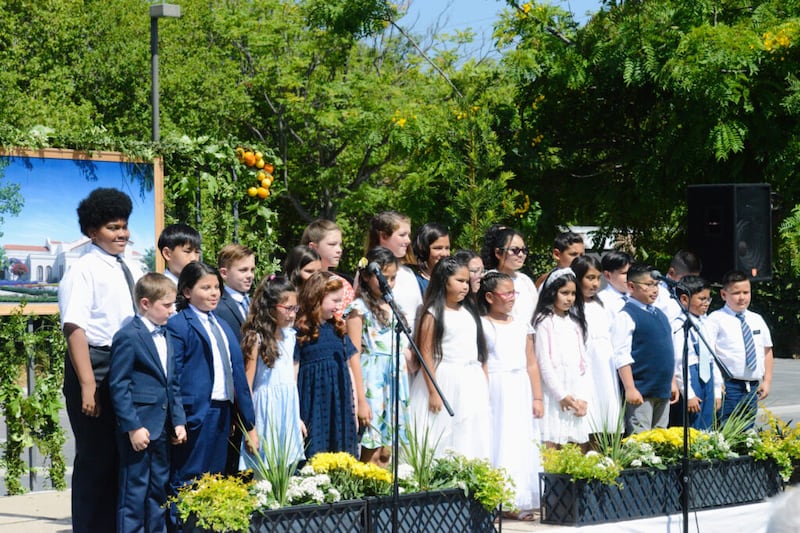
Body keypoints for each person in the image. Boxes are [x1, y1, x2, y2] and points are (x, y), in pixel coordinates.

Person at [58, 187, 145, 532]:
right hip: (96, 364)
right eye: (112, 227)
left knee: (123, 458)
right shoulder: (83, 270)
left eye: (124, 226)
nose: (121, 233)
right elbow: (75, 328)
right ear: (93, 231)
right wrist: (88, 385)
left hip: (127, 365)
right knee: (96, 461)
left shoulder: (133, 266)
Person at [166, 262, 258, 527]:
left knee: (213, 479)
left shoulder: (222, 326)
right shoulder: (179, 325)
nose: (214, 292)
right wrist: (178, 419)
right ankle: (182, 526)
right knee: (187, 480)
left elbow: (238, 378)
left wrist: (247, 422)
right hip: (196, 415)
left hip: (222, 413)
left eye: (216, 287)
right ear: (186, 291)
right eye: (205, 287)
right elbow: (174, 377)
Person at [109, 273, 187, 533]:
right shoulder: (128, 336)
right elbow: (119, 385)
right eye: (166, 305)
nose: (172, 310)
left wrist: (178, 421)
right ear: (145, 304)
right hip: (140, 428)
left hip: (163, 427)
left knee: (158, 488)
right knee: (134, 491)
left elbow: (172, 383)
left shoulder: (167, 336)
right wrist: (132, 426)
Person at [407, 256, 490, 459]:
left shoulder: (469, 311)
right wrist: (434, 391)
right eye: (459, 281)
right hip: (445, 377)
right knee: (442, 433)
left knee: (469, 431)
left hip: (470, 378)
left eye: (466, 282)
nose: (465, 286)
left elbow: (479, 348)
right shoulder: (433, 313)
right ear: (444, 281)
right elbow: (425, 352)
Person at [477, 271, 543, 518]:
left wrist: (537, 397)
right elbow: (482, 361)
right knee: (499, 440)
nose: (512, 298)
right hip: (496, 385)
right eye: (506, 293)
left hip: (520, 386)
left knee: (519, 441)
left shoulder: (521, 323)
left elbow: (531, 361)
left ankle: (519, 497)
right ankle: (500, 498)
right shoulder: (483, 324)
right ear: (490, 297)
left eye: (513, 292)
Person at [345, 247, 410, 466]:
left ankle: (385, 495)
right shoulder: (358, 309)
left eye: (392, 278)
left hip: (393, 378)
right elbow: (353, 354)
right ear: (365, 276)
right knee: (370, 448)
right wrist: (361, 400)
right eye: (383, 277)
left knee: (386, 451)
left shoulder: (393, 306)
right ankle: (367, 497)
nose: (388, 283)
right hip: (372, 379)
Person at [238, 275, 305, 473]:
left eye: (295, 308)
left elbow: (290, 382)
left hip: (287, 412)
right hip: (265, 414)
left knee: (287, 473)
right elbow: (246, 387)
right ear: (270, 307)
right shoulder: (256, 340)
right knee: (264, 475)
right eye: (288, 309)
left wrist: (297, 418)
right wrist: (251, 429)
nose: (293, 314)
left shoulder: (291, 337)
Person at [294, 271, 359, 458]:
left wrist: (353, 408)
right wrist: (295, 414)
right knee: (315, 450)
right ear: (317, 297)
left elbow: (348, 369)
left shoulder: (338, 329)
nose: (339, 306)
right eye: (334, 301)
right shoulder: (302, 331)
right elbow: (294, 373)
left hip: (339, 402)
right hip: (313, 402)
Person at [611, 263, 679, 435]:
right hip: (642, 390)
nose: (654, 290)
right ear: (632, 286)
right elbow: (621, 354)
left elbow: (668, 352)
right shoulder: (626, 315)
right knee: (641, 442)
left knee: (660, 439)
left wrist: (672, 382)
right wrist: (630, 388)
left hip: (662, 389)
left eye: (656, 285)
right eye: (648, 285)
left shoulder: (660, 314)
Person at [533, 268, 591, 450]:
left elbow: (583, 365)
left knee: (576, 445)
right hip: (554, 395)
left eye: (573, 293)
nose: (570, 298)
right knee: (552, 442)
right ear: (552, 293)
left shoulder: (575, 323)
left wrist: (581, 398)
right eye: (564, 293)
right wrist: (562, 395)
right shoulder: (544, 321)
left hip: (575, 392)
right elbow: (544, 364)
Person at [706, 270, 773, 426]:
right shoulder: (716, 319)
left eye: (746, 292)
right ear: (723, 294)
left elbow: (767, 351)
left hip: (752, 387)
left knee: (746, 432)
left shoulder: (756, 319)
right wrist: (716, 386)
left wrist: (767, 381)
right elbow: (709, 354)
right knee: (724, 431)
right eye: (736, 293)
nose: (742, 297)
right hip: (728, 387)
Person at [572, 255, 621, 437]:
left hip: (605, 366)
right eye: (590, 278)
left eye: (598, 278)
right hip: (586, 367)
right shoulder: (573, 308)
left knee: (605, 414)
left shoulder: (603, 305)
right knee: (587, 420)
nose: (595, 284)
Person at [671, 275, 721, 430]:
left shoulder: (708, 324)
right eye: (702, 299)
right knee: (692, 424)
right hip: (691, 377)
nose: (706, 304)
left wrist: (717, 390)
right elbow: (679, 362)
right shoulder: (678, 326)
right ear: (685, 299)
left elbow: (714, 356)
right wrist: (689, 393)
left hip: (708, 375)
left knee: (707, 424)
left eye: (708, 299)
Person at [368, 211, 423, 333]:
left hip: (412, 347)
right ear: (383, 236)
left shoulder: (408, 273)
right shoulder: (369, 273)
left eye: (408, 235)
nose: (408, 240)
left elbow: (419, 314)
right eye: (402, 235)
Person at [480, 224, 538, 324]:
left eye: (524, 250)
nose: (521, 255)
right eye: (515, 250)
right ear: (498, 253)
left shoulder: (525, 280)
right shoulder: (490, 280)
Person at [301, 219, 355, 313]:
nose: (339, 250)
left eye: (340, 245)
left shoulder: (342, 285)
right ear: (313, 247)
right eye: (332, 244)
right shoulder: (297, 281)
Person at [215, 244, 256, 344]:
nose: (250, 275)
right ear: (224, 273)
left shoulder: (254, 303)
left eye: (252, 270)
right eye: (243, 270)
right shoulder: (217, 305)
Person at [655, 250, 702, 324]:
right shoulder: (656, 293)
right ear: (671, 273)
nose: (691, 284)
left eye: (694, 280)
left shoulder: (694, 294)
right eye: (686, 280)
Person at [411, 222, 451, 294]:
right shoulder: (414, 280)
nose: (445, 254)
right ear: (423, 249)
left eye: (447, 248)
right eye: (438, 248)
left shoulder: (450, 279)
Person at [597, 250, 632, 314]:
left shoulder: (637, 296)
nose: (630, 276)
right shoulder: (601, 302)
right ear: (607, 275)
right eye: (624, 273)